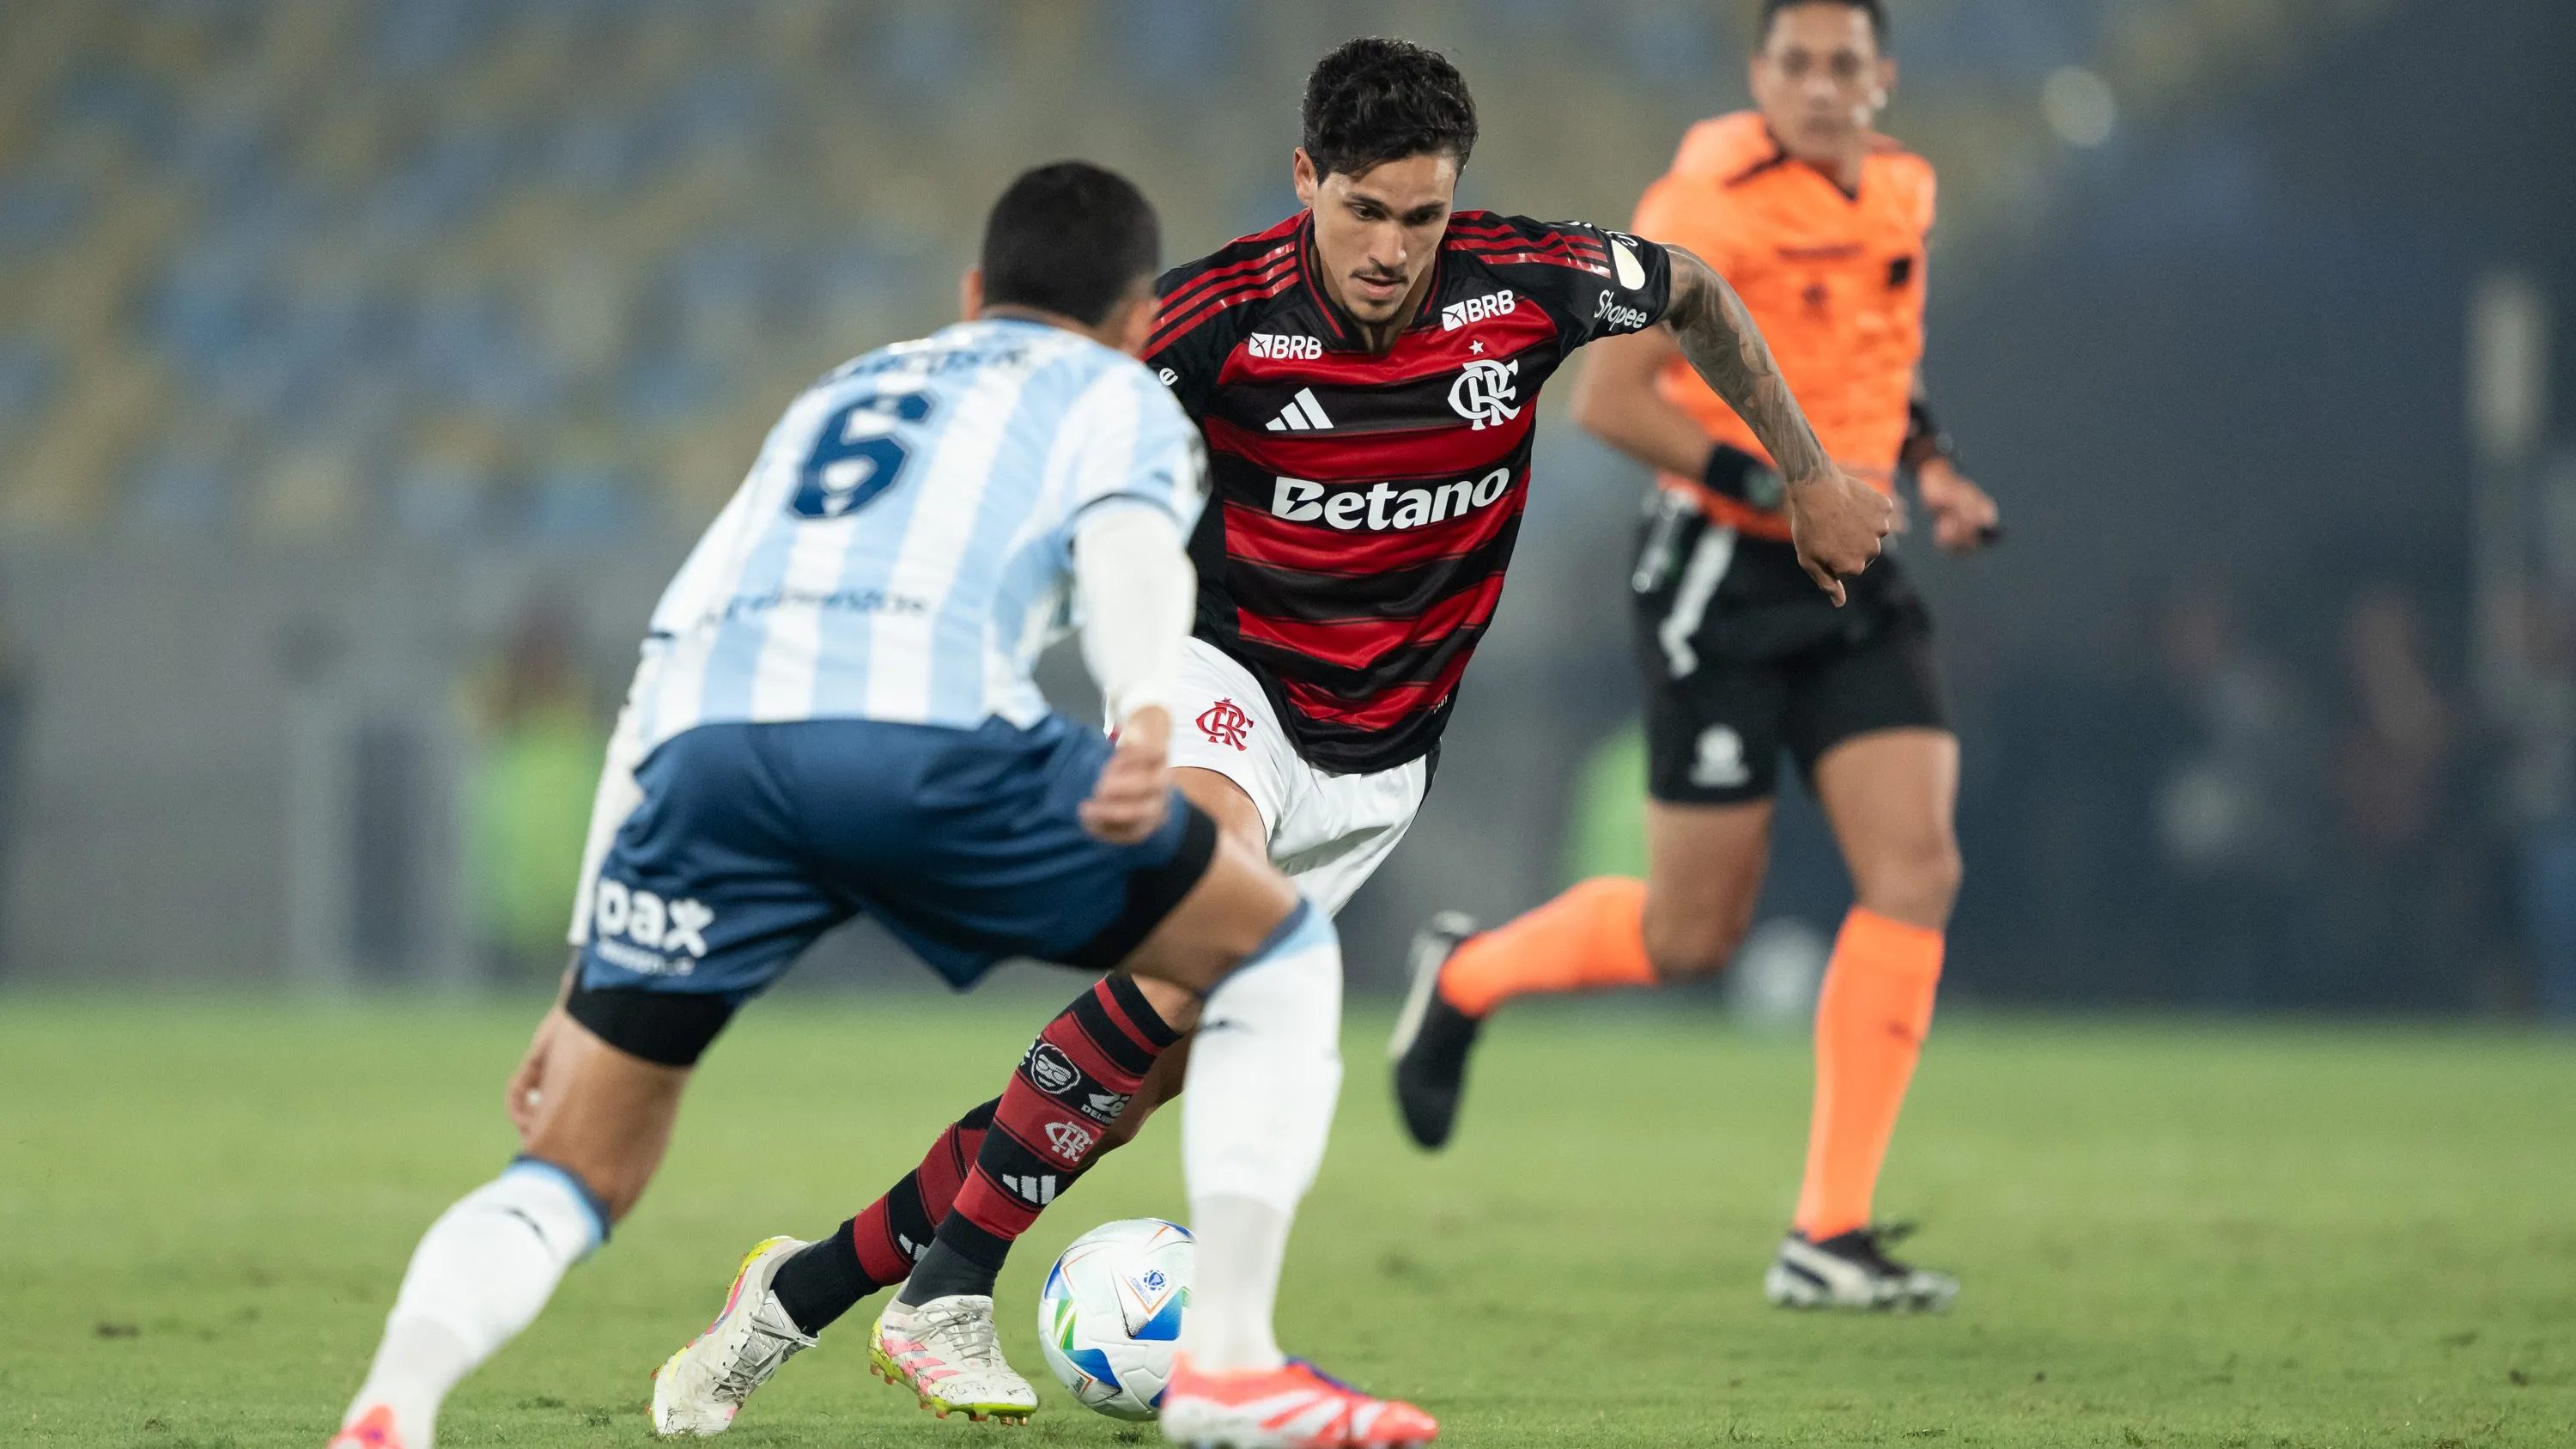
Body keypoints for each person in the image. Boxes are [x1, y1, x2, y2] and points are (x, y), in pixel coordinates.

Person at [661, 33, 1890, 1436]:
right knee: (1206, 933)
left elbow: (1698, 291)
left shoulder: (1529, 281)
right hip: (1226, 682)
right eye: (1363, 208)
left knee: (1117, 1090)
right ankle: (950, 1294)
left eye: (1421, 215)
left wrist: (1806, 474)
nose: (1390, 247)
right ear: (1307, 178)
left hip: (1380, 764)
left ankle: (797, 1291)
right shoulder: (1214, 318)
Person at [325, 161, 1433, 1449]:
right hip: (923, 745)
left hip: (709, 759)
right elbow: (1133, 551)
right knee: (1273, 947)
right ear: (1140, 321)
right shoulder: (1112, 390)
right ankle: (1226, 1361)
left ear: (971, 294)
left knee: (575, 1174)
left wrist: (585, 968)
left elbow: (666, 646)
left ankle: (394, 1403)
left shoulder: (836, 391)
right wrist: (1140, 707)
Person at [1387, 0, 2001, 1312]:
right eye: (1798, 62)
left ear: (1883, 79)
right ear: (1759, 75)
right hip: (1722, 576)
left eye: (1847, 63)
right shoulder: (1709, 202)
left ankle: (1827, 1229)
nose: (1824, 85)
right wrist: (1793, 484)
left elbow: (1876, 357)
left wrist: (1930, 466)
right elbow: (1611, 400)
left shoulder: (1903, 187)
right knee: (1690, 933)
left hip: (1855, 566)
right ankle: (1470, 972)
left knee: (1919, 865)